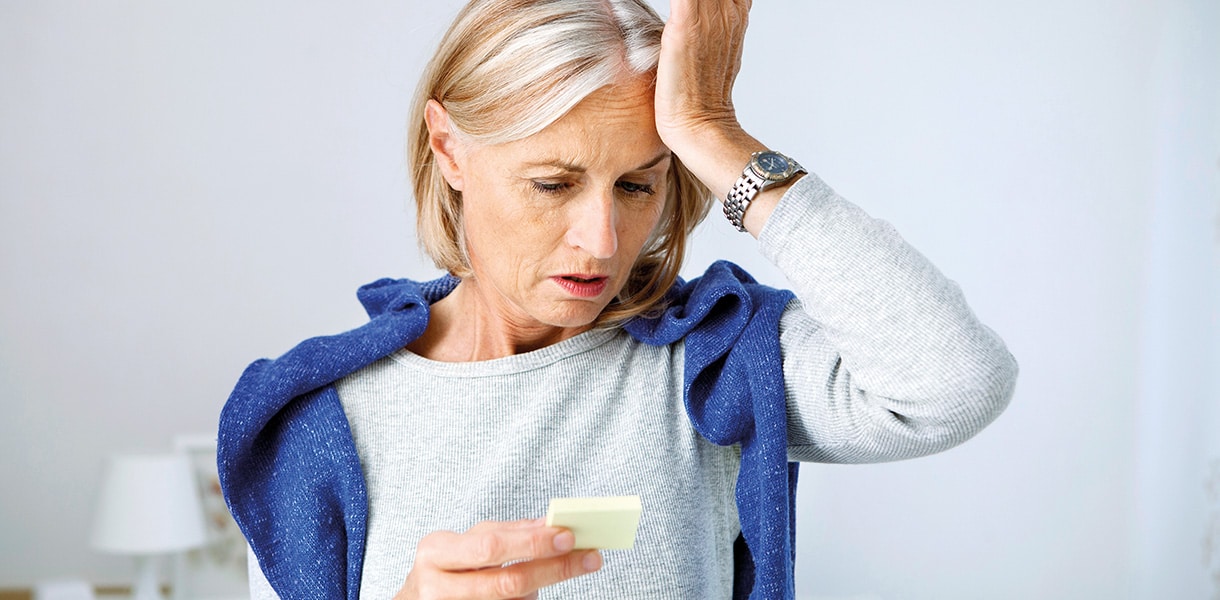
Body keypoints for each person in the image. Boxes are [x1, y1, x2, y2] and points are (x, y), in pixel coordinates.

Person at [217, 0, 1018, 598]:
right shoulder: (320, 421)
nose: (602, 240)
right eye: (553, 183)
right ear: (449, 147)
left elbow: (955, 384)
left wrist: (714, 131)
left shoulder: (714, 365)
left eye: (638, 185)